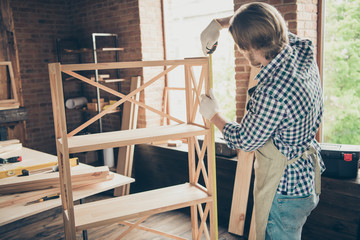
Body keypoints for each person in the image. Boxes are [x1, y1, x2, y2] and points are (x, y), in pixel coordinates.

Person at [199, 2, 325, 240]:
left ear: (248, 47)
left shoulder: (273, 90)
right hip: (304, 181)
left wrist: (213, 114)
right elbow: (269, 24)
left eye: (241, 46)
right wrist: (222, 24)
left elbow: (246, 140)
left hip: (284, 191)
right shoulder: (301, 48)